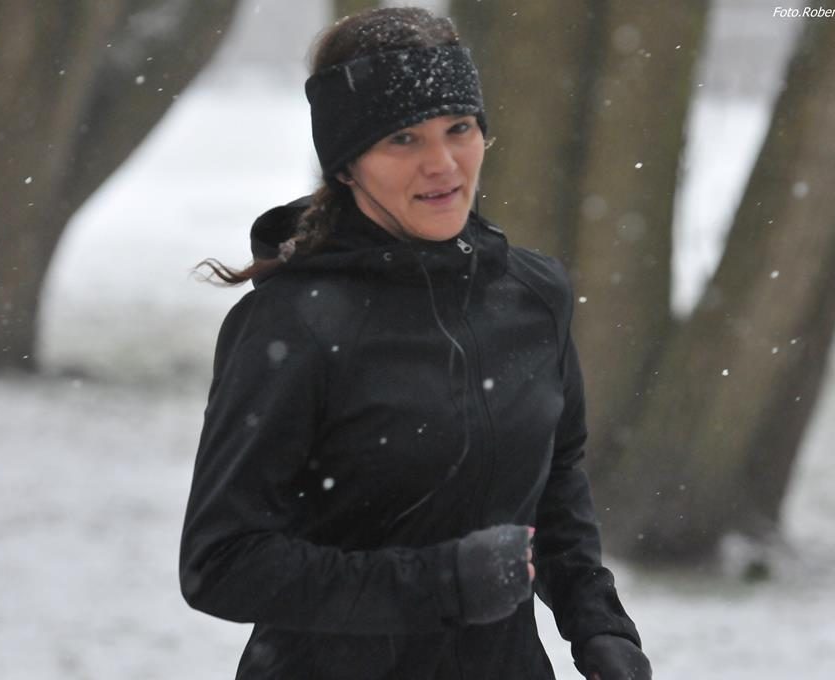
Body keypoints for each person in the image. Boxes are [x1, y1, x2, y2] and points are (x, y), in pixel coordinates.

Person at [179, 7, 651, 679]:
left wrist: (596, 621)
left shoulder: (532, 296)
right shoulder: (294, 325)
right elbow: (221, 561)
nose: (442, 164)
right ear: (347, 165)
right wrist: (439, 584)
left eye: (459, 128)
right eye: (403, 138)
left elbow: (555, 479)